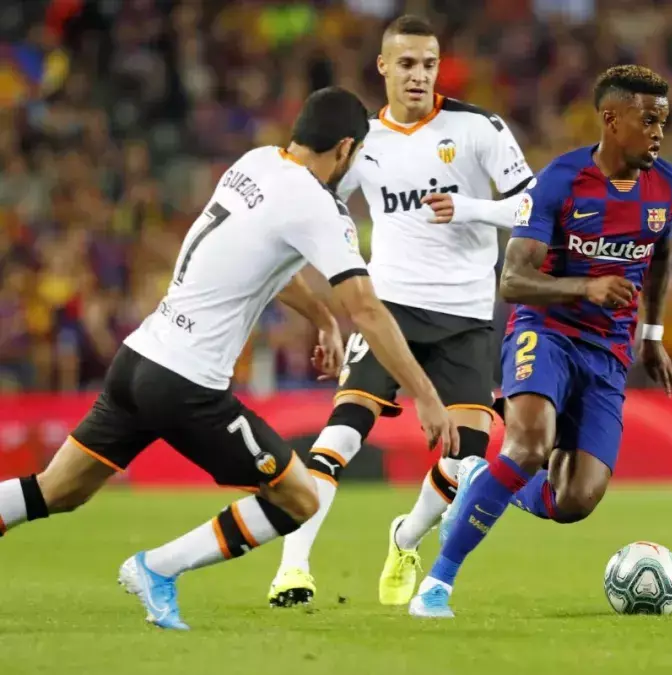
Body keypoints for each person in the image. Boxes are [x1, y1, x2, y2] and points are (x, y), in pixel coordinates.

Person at [0, 87, 457, 630]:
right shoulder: (316, 203)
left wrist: (320, 317)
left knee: (58, 489)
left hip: (139, 359)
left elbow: (260, 260)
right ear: (343, 148)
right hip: (186, 385)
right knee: (299, 498)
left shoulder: (255, 163)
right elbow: (369, 309)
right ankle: (157, 569)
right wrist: (426, 395)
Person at [267, 15, 533, 608]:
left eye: (429, 65)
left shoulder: (479, 128)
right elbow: (315, 203)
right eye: (407, 64)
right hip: (389, 308)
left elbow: (533, 208)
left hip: (466, 315)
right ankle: (292, 569)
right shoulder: (360, 142)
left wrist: (470, 208)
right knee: (341, 434)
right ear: (384, 66)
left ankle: (405, 537)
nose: (419, 75)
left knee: (464, 462)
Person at [409, 65, 672, 618]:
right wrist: (586, 286)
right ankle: (437, 585)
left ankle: (479, 477)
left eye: (663, 121)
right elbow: (513, 280)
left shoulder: (670, 186)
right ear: (611, 119)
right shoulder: (560, 182)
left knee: (574, 499)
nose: (659, 133)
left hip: (608, 351)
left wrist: (652, 333)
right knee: (529, 446)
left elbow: (660, 254)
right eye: (648, 120)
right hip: (547, 332)